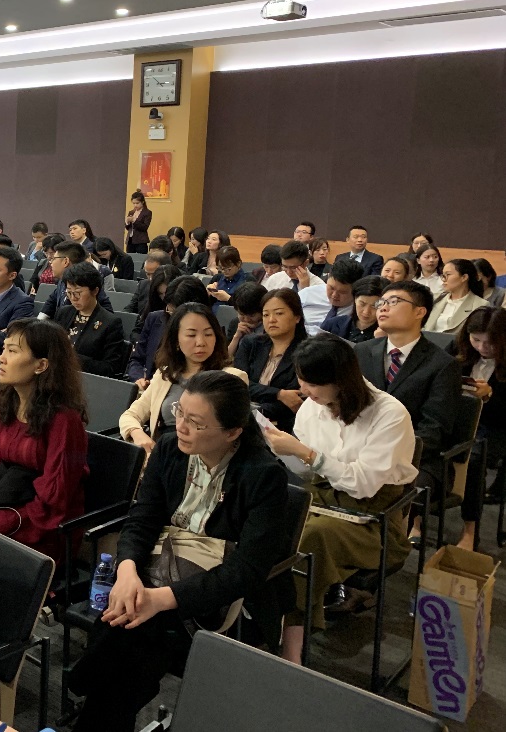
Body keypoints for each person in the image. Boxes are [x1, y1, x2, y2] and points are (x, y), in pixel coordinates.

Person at [69, 371, 291, 731]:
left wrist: (161, 599)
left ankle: (86, 679)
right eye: (180, 412)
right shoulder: (170, 449)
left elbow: (246, 570)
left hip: (218, 594)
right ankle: (96, 691)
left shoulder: (263, 475)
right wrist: (127, 571)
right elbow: (142, 518)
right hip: (159, 568)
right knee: (130, 631)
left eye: (196, 422)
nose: (181, 426)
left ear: (233, 432)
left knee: (130, 633)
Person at [263, 335, 417, 656]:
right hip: (321, 497)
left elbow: (363, 484)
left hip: (373, 518)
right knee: (268, 520)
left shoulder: (390, 414)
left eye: (312, 384)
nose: (305, 391)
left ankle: (292, 641)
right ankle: (259, 617)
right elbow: (308, 475)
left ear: (341, 381)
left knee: (309, 537)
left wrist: (306, 453)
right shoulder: (312, 408)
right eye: (302, 382)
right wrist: (282, 452)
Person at [0, 318, 88, 560]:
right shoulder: (2, 402)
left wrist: (1, 521)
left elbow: (55, 497)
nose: (1, 358)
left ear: (41, 365)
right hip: (1, 499)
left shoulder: (64, 419)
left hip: (43, 525)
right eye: (3, 349)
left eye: (12, 351)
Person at [355, 280, 462, 545]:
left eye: (394, 302)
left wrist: (387, 451)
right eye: (382, 302)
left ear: (419, 312)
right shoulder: (362, 351)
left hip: (416, 459)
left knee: (389, 489)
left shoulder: (442, 364)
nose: (382, 307)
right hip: (359, 447)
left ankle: (384, 548)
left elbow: (435, 428)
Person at [120, 302, 248, 458]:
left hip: (203, 460)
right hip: (162, 454)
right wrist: (138, 434)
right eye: (191, 335)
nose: (201, 342)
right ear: (176, 340)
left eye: (208, 334)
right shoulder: (166, 374)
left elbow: (230, 437)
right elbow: (130, 415)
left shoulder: (231, 378)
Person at [454, 308, 506, 546]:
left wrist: (489, 397)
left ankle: (470, 529)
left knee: (473, 460)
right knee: (421, 444)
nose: (483, 348)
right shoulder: (460, 351)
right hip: (457, 420)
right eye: (476, 340)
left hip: (494, 428)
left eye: (491, 343)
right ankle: (415, 522)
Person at [234, 289, 306, 432]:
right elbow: (238, 384)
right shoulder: (250, 343)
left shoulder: (307, 353)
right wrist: (278, 394)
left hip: (281, 425)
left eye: (279, 313)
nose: (271, 320)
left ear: (297, 317)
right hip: (242, 414)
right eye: (266, 314)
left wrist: (254, 413)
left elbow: (292, 401)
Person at [127, 276, 210, 385]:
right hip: (149, 385)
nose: (171, 316)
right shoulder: (154, 319)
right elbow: (137, 359)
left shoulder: (207, 333)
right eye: (169, 310)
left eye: (175, 312)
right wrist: (139, 378)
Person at [54, 262, 127, 378]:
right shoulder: (64, 313)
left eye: (78, 293)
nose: (73, 298)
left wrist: (72, 357)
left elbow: (111, 368)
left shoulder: (110, 323)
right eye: (69, 292)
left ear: (95, 291)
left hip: (85, 379)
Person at [38, 241, 114, 320]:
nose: (50, 263)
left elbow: (107, 317)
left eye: (53, 259)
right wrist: (39, 321)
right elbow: (51, 302)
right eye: (69, 292)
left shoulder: (87, 282)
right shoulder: (62, 281)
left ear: (65, 261)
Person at [299, 258, 363, 336]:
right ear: (328, 276)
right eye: (331, 288)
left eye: (342, 292)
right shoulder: (308, 293)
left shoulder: (359, 311)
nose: (334, 295)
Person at [425, 258, 488, 334]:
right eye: (443, 275)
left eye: (448, 274)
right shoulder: (435, 299)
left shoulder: (480, 305)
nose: (443, 279)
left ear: (464, 277)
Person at [323, 276, 385, 343]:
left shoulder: (385, 336)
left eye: (374, 306)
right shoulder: (332, 324)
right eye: (362, 304)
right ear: (355, 299)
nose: (366, 311)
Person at [226, 280, 267, 357]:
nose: (246, 320)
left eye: (252, 315)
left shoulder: (269, 326)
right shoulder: (235, 323)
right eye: (242, 314)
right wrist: (236, 337)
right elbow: (226, 358)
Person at [205, 245, 249, 310]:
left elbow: (248, 306)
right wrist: (207, 293)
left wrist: (228, 298)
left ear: (238, 264)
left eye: (228, 268)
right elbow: (206, 304)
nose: (224, 271)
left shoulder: (247, 280)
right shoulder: (217, 278)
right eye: (220, 268)